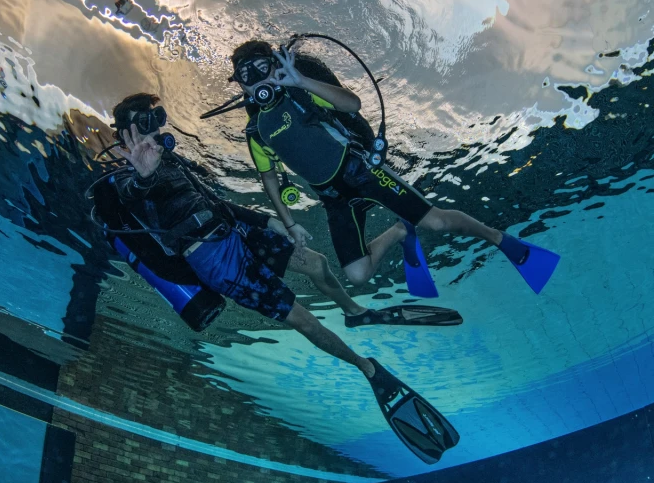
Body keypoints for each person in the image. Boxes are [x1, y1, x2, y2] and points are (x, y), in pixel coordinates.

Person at [88, 93, 461, 463]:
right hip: (217, 262)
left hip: (235, 231)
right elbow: (139, 200)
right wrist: (144, 176)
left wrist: (276, 223)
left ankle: (353, 311)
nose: (153, 129)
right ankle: (367, 367)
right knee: (304, 319)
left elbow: (215, 203)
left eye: (155, 118)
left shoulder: (167, 158)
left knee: (316, 263)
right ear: (125, 136)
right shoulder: (123, 179)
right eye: (143, 124)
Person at [228, 40, 559, 295]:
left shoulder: (300, 94)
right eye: (247, 76)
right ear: (240, 86)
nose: (258, 80)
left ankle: (499, 239)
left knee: (438, 222)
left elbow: (352, 104)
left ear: (276, 65)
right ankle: (401, 232)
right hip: (333, 199)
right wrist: (290, 224)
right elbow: (269, 177)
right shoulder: (257, 130)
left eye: (262, 68)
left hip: (363, 173)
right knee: (357, 275)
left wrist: (301, 81)